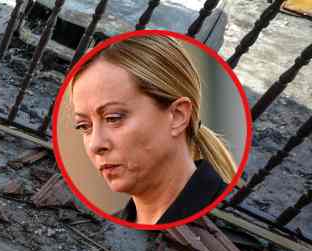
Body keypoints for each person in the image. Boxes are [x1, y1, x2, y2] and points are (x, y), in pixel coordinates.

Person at [70, 34, 237, 225]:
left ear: (178, 116)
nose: (95, 145)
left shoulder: (228, 230)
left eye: (113, 118)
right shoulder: (113, 227)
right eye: (84, 126)